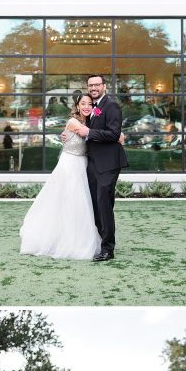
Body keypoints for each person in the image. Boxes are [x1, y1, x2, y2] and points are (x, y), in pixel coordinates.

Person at [19, 90, 103, 260]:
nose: (87, 106)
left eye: (90, 104)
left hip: (83, 163)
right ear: (77, 106)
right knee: (70, 201)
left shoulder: (90, 121)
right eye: (83, 104)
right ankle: (67, 241)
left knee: (82, 202)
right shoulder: (74, 122)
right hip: (70, 164)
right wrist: (115, 135)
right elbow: (88, 133)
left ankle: (78, 236)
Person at [63, 74, 128, 262]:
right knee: (94, 205)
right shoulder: (91, 107)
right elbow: (80, 128)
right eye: (91, 85)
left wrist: (89, 132)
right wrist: (68, 135)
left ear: (104, 86)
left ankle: (108, 248)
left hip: (108, 163)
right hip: (91, 163)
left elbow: (114, 132)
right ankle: (100, 240)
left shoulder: (112, 106)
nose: (94, 87)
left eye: (97, 84)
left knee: (104, 203)